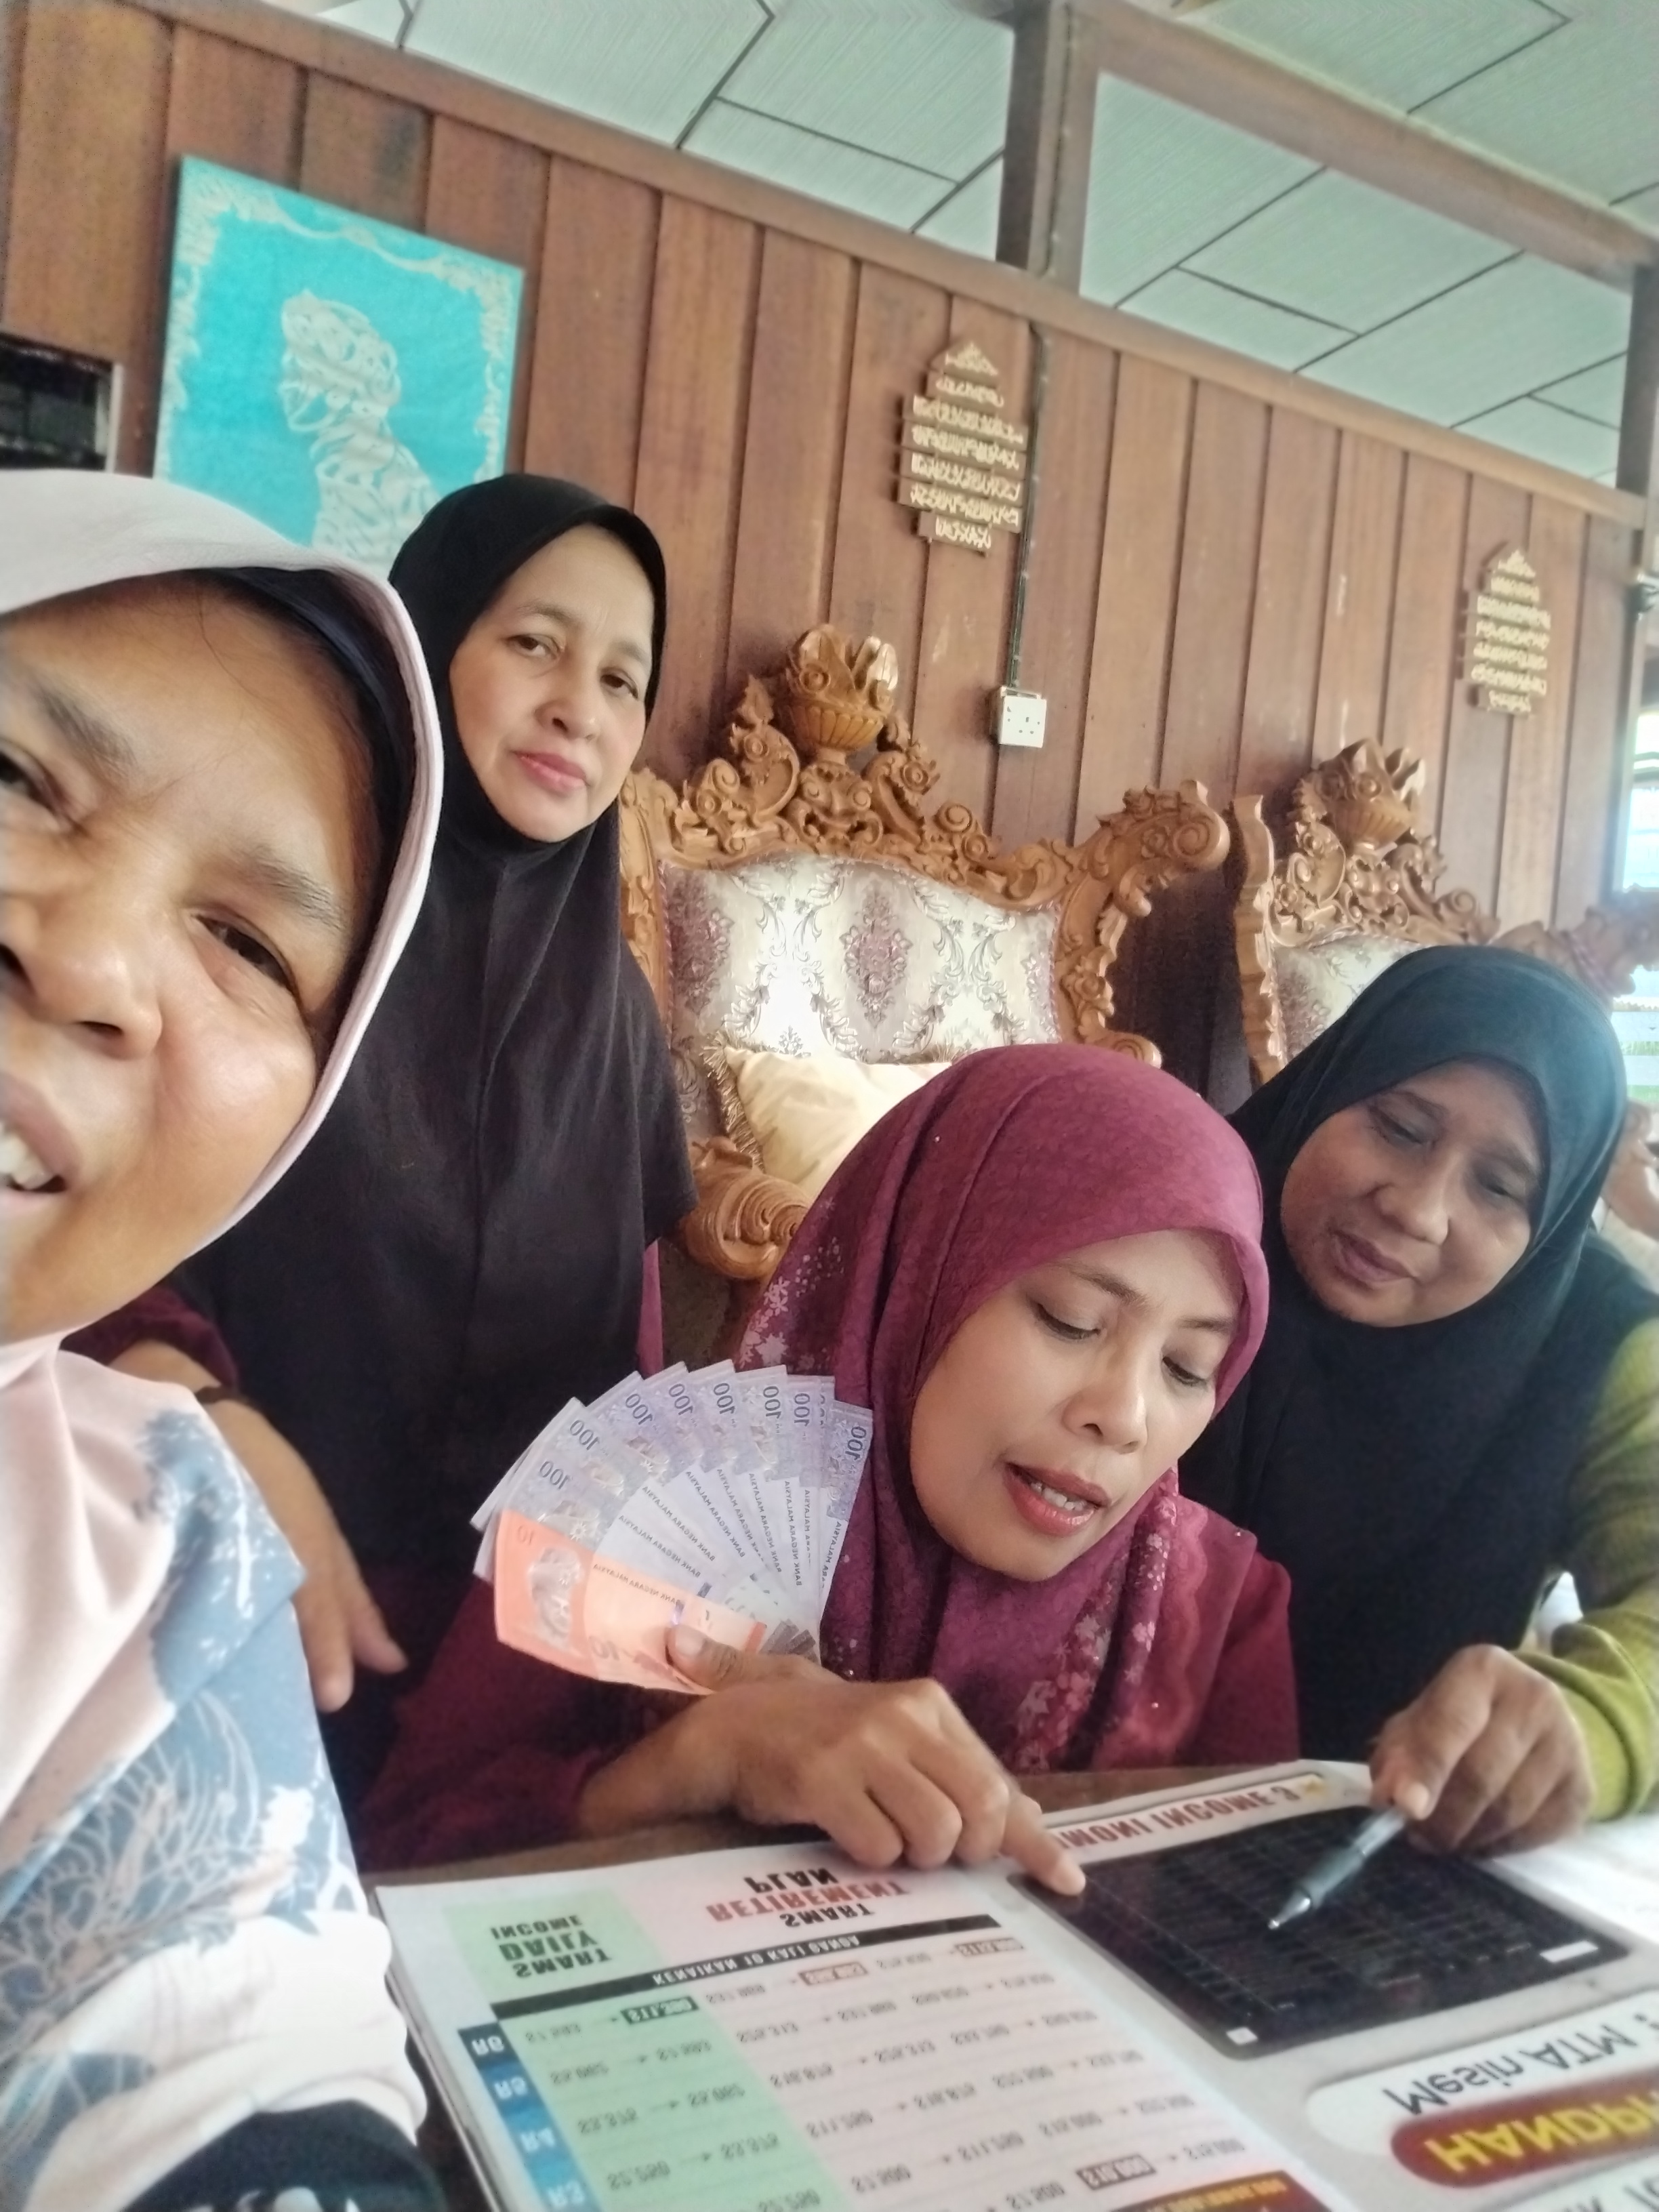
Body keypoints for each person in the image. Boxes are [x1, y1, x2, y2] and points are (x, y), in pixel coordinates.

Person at [81, 476, 697, 1807]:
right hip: (227, 1573)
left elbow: (628, 1349)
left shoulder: (617, 1016)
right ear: (427, 634)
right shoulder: (289, 932)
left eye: (621, 679)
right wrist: (192, 1408)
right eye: (532, 642)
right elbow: (90, 1214)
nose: (576, 708)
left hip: (509, 1655)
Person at [362, 1044, 1299, 1881]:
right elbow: (397, 1871)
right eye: (1071, 1320)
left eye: (1189, 1368)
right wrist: (686, 1767)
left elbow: (1261, 1936)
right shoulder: (633, 1510)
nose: (1125, 1418)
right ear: (917, 1276)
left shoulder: (1216, 1614)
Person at [0, 472, 445, 2209]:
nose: (92, 965)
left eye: (249, 943)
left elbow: (244, 2082)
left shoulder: (142, 1564)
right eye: (15, 776)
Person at [1180, 947, 1659, 1855]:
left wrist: (1591, 1716)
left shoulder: (1597, 1347)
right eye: (1400, 1127)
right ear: (1332, 1083)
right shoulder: (1167, 1231)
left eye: (1500, 1187)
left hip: (1396, 1846)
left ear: (1553, 1223)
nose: (1417, 1209)